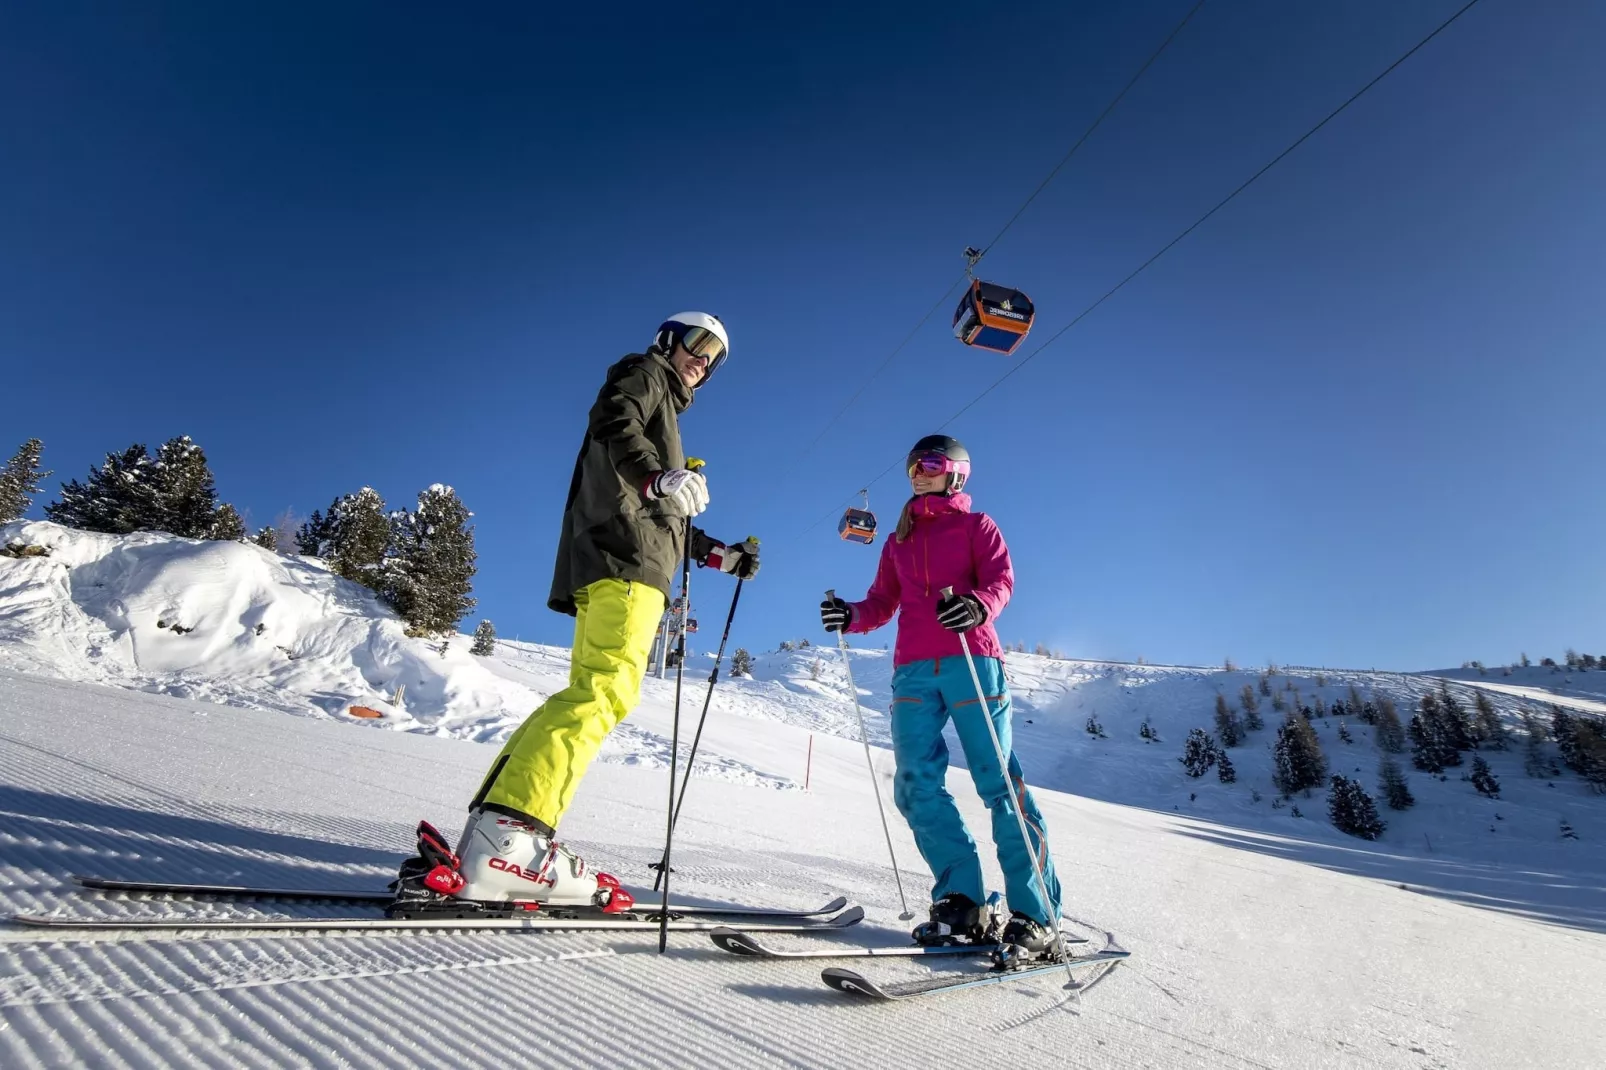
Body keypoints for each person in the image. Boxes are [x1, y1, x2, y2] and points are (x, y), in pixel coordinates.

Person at [400, 312, 760, 910]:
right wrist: (658, 475)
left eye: (715, 358)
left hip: (625, 558)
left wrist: (719, 554)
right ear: (669, 339)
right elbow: (615, 422)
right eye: (698, 344)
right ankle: (511, 841)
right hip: (623, 563)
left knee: (592, 691)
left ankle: (502, 831)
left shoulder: (663, 416)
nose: (703, 360)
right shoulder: (643, 375)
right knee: (605, 691)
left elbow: (663, 517)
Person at [819, 435, 1063, 955]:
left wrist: (977, 605)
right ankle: (961, 901)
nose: (917, 473)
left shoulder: (978, 527)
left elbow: (1001, 580)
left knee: (998, 782)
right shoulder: (897, 541)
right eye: (912, 466)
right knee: (914, 785)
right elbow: (884, 601)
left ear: (956, 473)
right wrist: (853, 616)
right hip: (913, 671)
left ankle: (1034, 913)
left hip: (972, 659)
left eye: (929, 464)